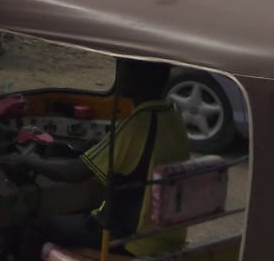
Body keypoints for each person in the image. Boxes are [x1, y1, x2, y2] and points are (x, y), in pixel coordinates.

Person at [12, 60, 191, 257]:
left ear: (134, 79)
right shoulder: (173, 118)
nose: (119, 77)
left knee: (35, 230)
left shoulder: (136, 126)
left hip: (132, 238)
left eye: (122, 72)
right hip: (167, 234)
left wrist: (29, 160)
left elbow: (74, 173)